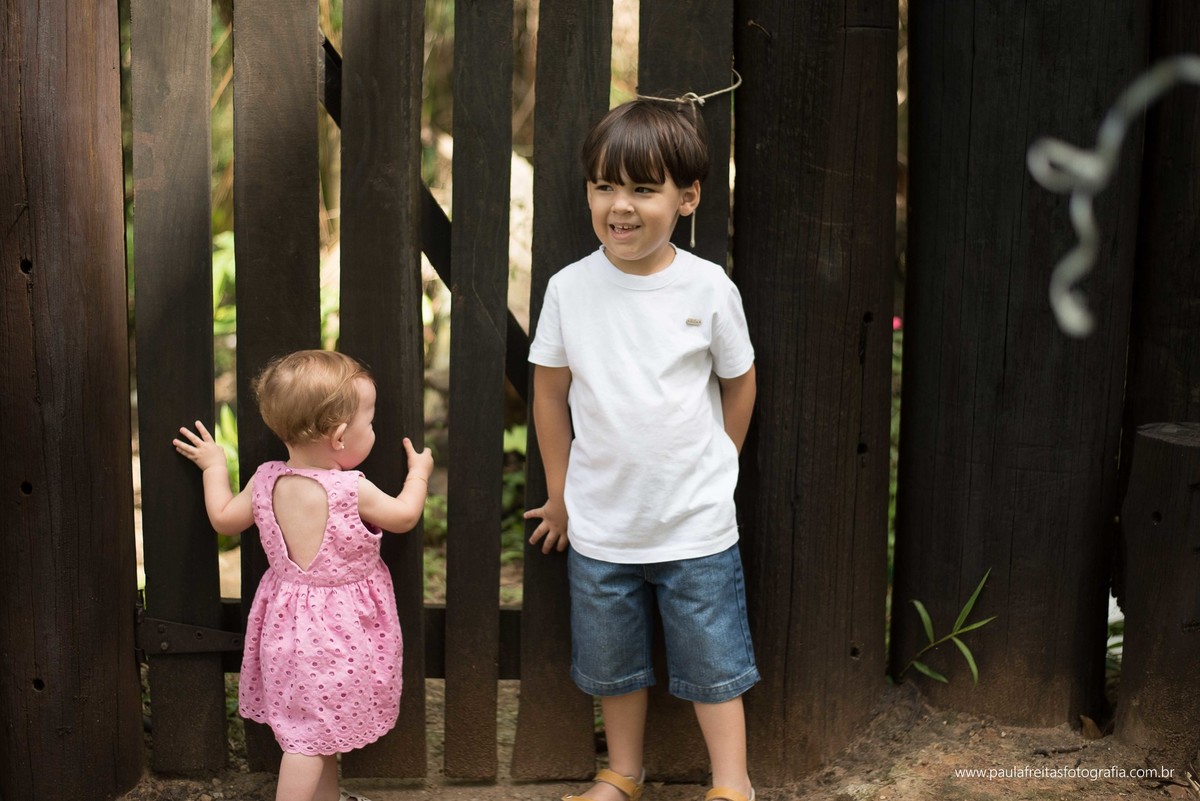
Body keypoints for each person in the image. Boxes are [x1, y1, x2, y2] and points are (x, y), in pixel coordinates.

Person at [524, 98, 759, 801]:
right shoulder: (570, 288)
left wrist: (722, 462)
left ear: (688, 197)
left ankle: (733, 784)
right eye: (604, 186)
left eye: (643, 189)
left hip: (696, 525)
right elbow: (549, 395)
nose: (619, 206)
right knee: (612, 664)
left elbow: (740, 382)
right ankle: (622, 772)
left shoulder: (708, 287)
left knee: (715, 665)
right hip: (602, 527)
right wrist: (561, 496)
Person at [172, 349, 433, 801]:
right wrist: (420, 474)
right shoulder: (351, 488)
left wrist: (215, 466)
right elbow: (405, 516)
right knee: (307, 742)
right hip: (340, 633)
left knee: (315, 730)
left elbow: (223, 518)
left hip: (286, 626)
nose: (374, 430)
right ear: (339, 437)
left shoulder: (266, 480)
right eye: (370, 422)